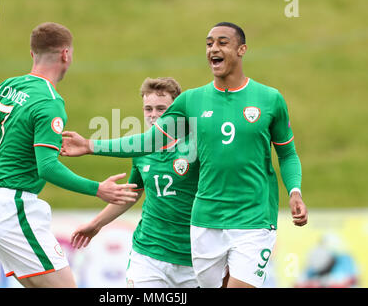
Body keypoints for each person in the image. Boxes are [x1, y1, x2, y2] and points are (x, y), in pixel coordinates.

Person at [61, 22, 308, 288]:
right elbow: (148, 142)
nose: (214, 48)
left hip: (254, 220)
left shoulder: (269, 99)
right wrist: (91, 145)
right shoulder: (192, 101)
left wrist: (295, 191)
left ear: (242, 49)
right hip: (201, 227)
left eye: (222, 42)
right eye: (209, 43)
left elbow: (287, 153)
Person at [0, 22, 137, 288]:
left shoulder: (4, 87)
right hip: (15, 210)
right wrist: (98, 189)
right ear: (66, 54)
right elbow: (48, 167)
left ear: (33, 54)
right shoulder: (49, 102)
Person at [69, 77, 200, 288]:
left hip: (193, 258)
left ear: (176, 109)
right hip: (149, 254)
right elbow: (132, 194)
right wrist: (96, 224)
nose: (154, 115)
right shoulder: (140, 150)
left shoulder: (196, 145)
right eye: (148, 109)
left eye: (161, 108)